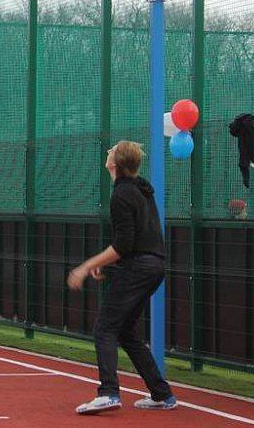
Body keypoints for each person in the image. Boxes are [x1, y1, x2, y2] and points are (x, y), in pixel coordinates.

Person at [68, 141, 177, 415]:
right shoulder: (140, 190)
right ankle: (162, 394)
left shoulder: (122, 195)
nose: (107, 153)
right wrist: (108, 264)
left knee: (104, 329)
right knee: (126, 332)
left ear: (114, 163)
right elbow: (131, 242)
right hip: (153, 266)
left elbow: (124, 245)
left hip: (139, 267)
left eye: (111, 151)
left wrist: (85, 266)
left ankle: (108, 393)